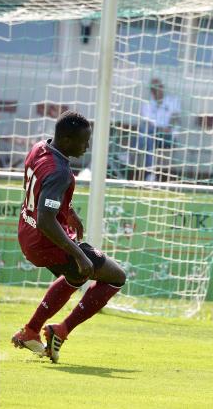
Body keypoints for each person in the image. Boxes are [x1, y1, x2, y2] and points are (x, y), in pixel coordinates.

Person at [11, 111, 127, 364]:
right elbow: (45, 219)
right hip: (46, 239)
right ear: (65, 139)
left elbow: (42, 189)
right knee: (116, 276)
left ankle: (32, 331)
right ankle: (59, 330)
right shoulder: (60, 171)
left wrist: (68, 210)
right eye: (83, 140)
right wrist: (78, 254)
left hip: (27, 233)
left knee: (75, 276)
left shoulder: (40, 148)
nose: (87, 145)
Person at [138, 77, 181, 181]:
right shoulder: (147, 104)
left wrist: (167, 128)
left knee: (147, 135)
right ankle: (150, 175)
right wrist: (159, 129)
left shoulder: (173, 100)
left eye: (158, 87)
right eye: (153, 89)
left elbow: (175, 118)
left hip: (168, 137)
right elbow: (147, 122)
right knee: (149, 138)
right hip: (153, 135)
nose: (156, 90)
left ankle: (130, 155)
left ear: (162, 88)